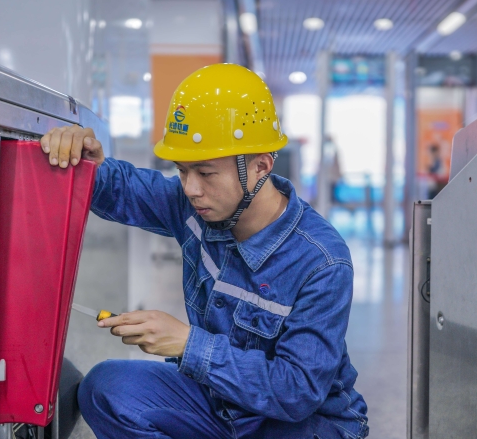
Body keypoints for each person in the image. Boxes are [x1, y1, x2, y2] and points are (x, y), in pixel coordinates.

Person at [40, 64, 368, 439]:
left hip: (303, 424)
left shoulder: (322, 261)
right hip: (222, 403)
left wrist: (189, 344)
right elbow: (125, 189)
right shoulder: (196, 207)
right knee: (105, 390)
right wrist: (83, 161)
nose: (191, 189)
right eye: (182, 171)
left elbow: (296, 391)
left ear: (260, 166)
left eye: (206, 173)